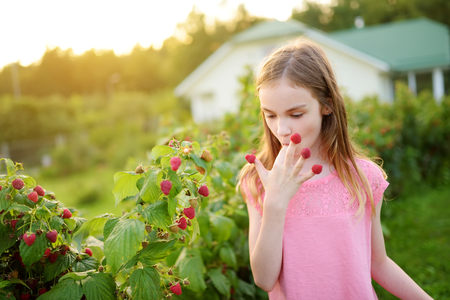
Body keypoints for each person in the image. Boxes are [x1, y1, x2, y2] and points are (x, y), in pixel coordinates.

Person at [237, 38, 432, 299]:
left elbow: (378, 262)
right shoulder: (258, 180)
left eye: (295, 115)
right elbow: (264, 278)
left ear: (326, 105)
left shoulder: (362, 176)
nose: (281, 130)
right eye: (270, 115)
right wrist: (275, 202)